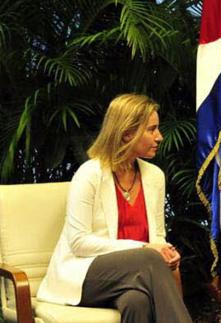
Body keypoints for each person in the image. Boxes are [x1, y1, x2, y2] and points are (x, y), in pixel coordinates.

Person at [37, 93, 193, 323]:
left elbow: (157, 236)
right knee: (149, 259)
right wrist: (145, 248)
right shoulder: (89, 174)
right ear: (127, 133)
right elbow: (79, 243)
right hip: (84, 274)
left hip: (135, 277)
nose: (159, 137)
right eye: (152, 129)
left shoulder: (155, 176)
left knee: (136, 301)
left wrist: (167, 252)